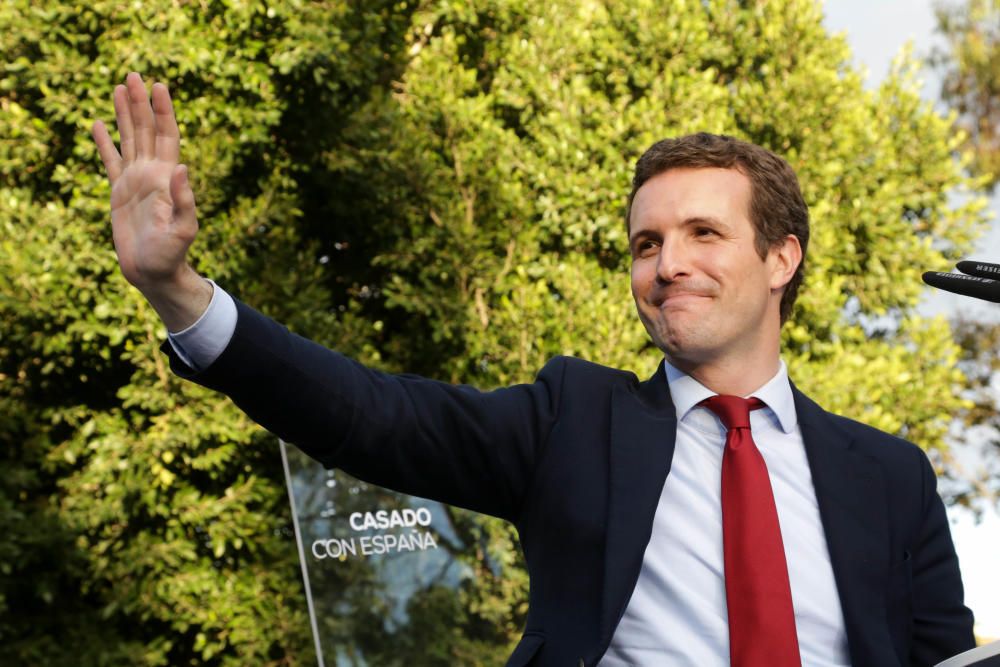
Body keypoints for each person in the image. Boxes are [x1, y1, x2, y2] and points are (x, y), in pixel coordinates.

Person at [92, 73, 975, 667]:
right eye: (646, 243)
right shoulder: (572, 421)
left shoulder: (890, 477)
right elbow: (370, 415)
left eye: (703, 233)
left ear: (781, 259)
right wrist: (178, 290)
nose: (667, 263)